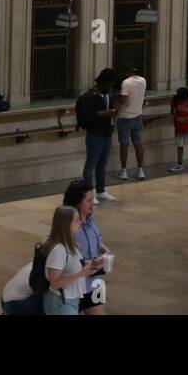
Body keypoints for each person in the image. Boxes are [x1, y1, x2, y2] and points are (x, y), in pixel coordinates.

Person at [41, 205, 103, 316]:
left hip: (71, 300)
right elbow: (55, 283)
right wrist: (81, 273)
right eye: (76, 220)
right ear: (66, 225)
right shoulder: (58, 250)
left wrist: (91, 263)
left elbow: (72, 265)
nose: (80, 222)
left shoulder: (71, 245)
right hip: (61, 302)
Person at [62, 180, 110, 315]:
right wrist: (87, 263)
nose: (92, 203)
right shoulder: (68, 225)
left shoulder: (90, 218)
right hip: (74, 284)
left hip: (94, 282)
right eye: (89, 200)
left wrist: (105, 250)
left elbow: (96, 240)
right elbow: (62, 255)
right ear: (78, 202)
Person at [75, 69, 119, 205]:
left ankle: (101, 189)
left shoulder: (109, 95)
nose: (111, 88)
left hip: (107, 132)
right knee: (91, 164)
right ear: (102, 82)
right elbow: (84, 116)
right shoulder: (88, 97)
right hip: (95, 134)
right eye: (109, 85)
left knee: (102, 163)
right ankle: (89, 193)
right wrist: (101, 114)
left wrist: (113, 113)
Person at [115, 65, 147, 182]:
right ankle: (140, 170)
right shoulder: (143, 80)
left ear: (126, 72)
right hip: (138, 116)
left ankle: (124, 171)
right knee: (138, 143)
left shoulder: (126, 82)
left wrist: (116, 96)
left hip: (125, 117)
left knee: (124, 145)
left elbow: (123, 100)